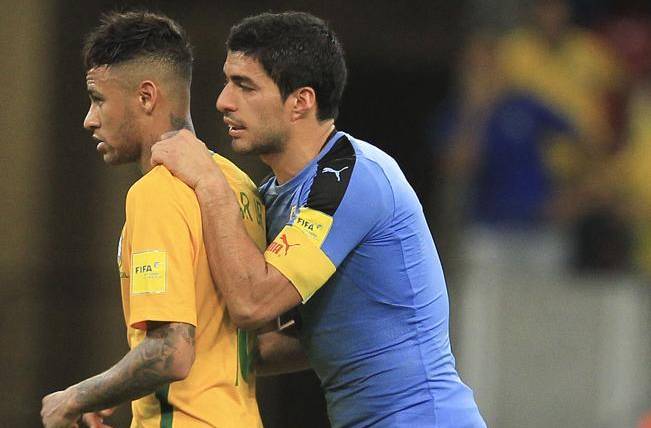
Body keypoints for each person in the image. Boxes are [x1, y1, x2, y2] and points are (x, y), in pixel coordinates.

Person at [152, 11, 485, 428]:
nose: (223, 101)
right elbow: (294, 343)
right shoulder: (276, 198)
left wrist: (209, 182)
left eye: (245, 85)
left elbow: (253, 304)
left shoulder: (353, 176)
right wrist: (144, 379)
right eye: (227, 81)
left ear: (301, 102)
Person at [40, 11, 265, 428]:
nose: (90, 119)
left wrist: (74, 397)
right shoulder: (239, 187)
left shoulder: (156, 192)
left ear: (146, 97)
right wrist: (114, 387)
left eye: (98, 98)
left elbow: (172, 351)